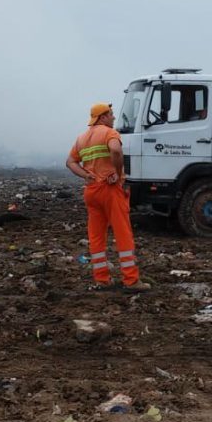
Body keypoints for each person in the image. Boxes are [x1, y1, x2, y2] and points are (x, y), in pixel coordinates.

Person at [66, 102, 150, 292]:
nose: (113, 117)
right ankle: (131, 280)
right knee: (123, 233)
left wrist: (85, 175)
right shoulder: (109, 133)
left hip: (91, 191)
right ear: (102, 117)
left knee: (96, 236)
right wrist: (118, 172)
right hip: (109, 189)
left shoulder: (82, 138)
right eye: (111, 114)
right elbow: (115, 150)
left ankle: (102, 280)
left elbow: (70, 162)